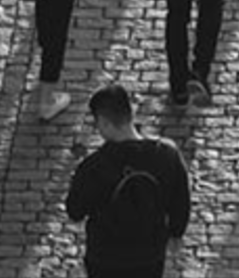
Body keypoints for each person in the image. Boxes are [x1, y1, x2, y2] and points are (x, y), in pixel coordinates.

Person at [66, 83, 191, 278]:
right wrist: (176, 233)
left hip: (105, 258)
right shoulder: (167, 154)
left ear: (105, 122)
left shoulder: (93, 167)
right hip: (150, 254)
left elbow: (75, 210)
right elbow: (181, 201)